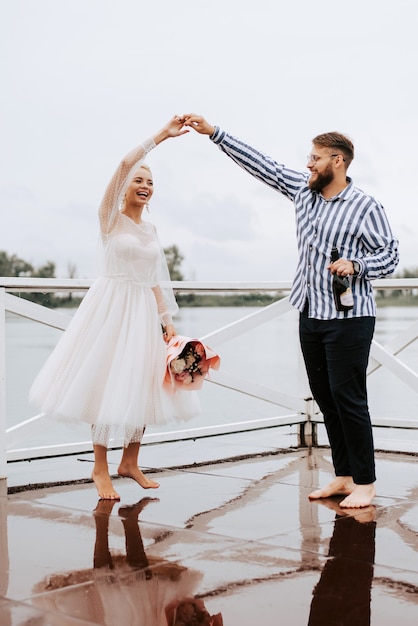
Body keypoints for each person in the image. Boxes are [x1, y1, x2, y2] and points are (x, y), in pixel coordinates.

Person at [183, 113, 399, 508]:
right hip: (310, 313)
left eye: (315, 157)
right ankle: (344, 476)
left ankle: (366, 484)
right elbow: (261, 165)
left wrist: (357, 265)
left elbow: (391, 255)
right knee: (325, 396)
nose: (308, 164)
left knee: (348, 396)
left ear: (338, 160)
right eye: (308, 156)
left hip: (350, 318)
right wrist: (214, 133)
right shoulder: (303, 190)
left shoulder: (365, 206)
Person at [30, 115, 199, 501]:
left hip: (143, 311)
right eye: (139, 180)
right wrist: (161, 137)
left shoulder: (152, 231)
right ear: (125, 186)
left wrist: (166, 319)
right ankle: (100, 468)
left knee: (144, 383)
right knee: (105, 384)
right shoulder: (110, 220)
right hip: (110, 310)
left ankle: (131, 461)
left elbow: (155, 277)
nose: (145, 186)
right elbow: (124, 164)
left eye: (150, 182)